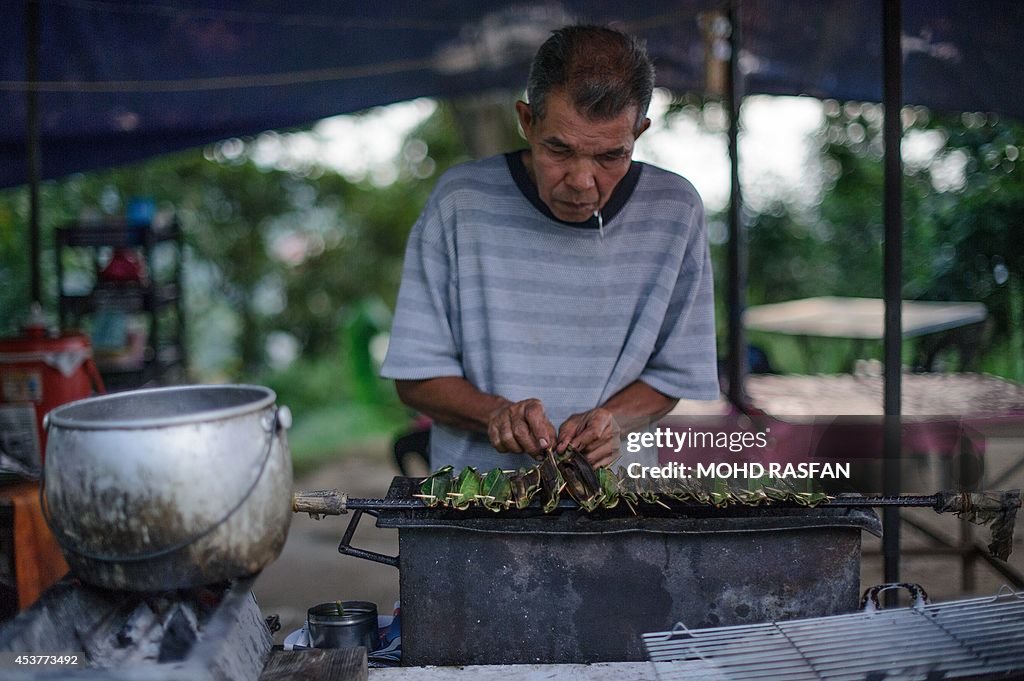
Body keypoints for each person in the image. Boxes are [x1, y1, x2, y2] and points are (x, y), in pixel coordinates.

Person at [381, 24, 719, 471]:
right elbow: (415, 375)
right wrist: (494, 415)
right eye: (559, 150)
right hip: (477, 507)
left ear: (639, 132)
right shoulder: (460, 203)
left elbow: (675, 372)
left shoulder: (676, 213)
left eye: (609, 156)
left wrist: (614, 422)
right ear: (527, 120)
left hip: (621, 504)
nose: (581, 181)